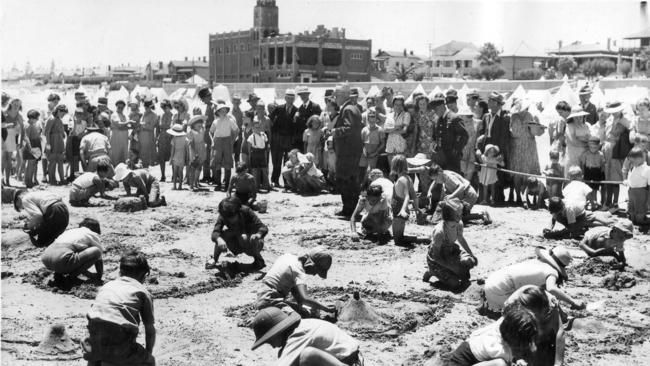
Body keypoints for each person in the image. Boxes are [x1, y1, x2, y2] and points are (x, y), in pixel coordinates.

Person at [82, 250, 156, 366]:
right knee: (149, 362)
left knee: (95, 358)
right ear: (144, 275)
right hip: (119, 344)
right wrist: (148, 354)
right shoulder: (142, 291)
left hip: (93, 342)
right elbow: (150, 330)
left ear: (120, 272)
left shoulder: (107, 286)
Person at [482, 246, 586, 313]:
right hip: (501, 293)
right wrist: (573, 302)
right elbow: (551, 289)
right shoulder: (551, 271)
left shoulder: (536, 262)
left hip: (491, 283)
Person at [251, 307, 361, 366]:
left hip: (350, 361)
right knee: (286, 355)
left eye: (269, 340)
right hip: (346, 358)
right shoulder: (301, 326)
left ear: (277, 332)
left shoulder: (298, 335)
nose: (271, 345)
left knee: (307, 356)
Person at [436, 305, 538, 366]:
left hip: (467, 350)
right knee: (500, 364)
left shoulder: (502, 327)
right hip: (461, 363)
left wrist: (519, 359)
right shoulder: (499, 350)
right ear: (515, 340)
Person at [256, 248, 335, 318]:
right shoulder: (299, 271)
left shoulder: (287, 257)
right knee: (296, 318)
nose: (314, 274)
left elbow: (299, 299)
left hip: (262, 296)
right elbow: (305, 299)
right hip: (270, 300)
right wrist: (325, 308)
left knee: (305, 312)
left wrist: (310, 309)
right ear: (311, 265)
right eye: (316, 271)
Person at [423, 199, 477, 291]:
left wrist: (471, 254)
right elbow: (436, 257)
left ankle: (455, 273)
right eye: (458, 213)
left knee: (469, 261)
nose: (461, 215)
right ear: (449, 215)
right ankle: (431, 271)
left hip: (450, 251)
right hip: (437, 259)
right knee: (454, 284)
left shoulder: (459, 224)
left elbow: (461, 239)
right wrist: (453, 268)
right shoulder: (440, 232)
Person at [206, 197, 268, 271]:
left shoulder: (246, 211)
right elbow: (216, 232)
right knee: (221, 236)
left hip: (252, 242)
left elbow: (263, 227)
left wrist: (258, 234)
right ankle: (215, 259)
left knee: (243, 237)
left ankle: (258, 259)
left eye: (232, 217)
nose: (229, 219)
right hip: (236, 241)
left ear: (238, 211)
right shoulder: (224, 214)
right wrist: (219, 239)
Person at [332, 84, 364, 218]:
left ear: (343, 95)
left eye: (336, 95)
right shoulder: (351, 108)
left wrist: (335, 132)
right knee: (349, 181)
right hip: (350, 152)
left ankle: (349, 210)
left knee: (347, 182)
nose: (335, 99)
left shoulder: (348, 109)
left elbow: (349, 128)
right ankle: (349, 209)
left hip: (347, 153)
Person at [41, 218, 103, 283]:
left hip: (46, 257)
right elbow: (99, 258)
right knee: (96, 251)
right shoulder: (92, 234)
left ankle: (58, 274)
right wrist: (99, 276)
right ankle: (71, 277)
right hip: (61, 259)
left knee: (74, 251)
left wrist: (88, 274)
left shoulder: (71, 231)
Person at [479, 92, 511, 204]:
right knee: (485, 173)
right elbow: (482, 134)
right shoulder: (486, 116)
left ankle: (498, 199)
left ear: (498, 104)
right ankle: (485, 198)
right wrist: (479, 149)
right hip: (486, 148)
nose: (488, 102)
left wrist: (500, 152)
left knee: (498, 175)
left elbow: (504, 137)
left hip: (497, 149)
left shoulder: (505, 117)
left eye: (491, 101)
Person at [509, 99, 542, 205]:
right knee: (517, 173)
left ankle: (527, 197)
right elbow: (509, 131)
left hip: (529, 146)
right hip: (517, 147)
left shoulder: (530, 116)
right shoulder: (513, 116)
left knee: (528, 172)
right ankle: (518, 195)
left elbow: (537, 131)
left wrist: (537, 128)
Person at [601, 101, 631, 210]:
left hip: (617, 150)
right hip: (607, 149)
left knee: (615, 178)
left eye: (616, 111)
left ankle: (615, 203)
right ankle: (607, 202)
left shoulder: (625, 121)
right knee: (608, 176)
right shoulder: (610, 119)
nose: (614, 113)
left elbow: (630, 132)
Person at [544, 197, 615, 239]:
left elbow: (572, 228)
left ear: (560, 209)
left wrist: (557, 233)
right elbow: (553, 218)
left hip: (581, 216)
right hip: (575, 215)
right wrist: (549, 228)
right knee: (559, 218)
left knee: (576, 231)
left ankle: (607, 224)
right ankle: (584, 226)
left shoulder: (569, 209)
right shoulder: (555, 204)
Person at [270, 89, 299, 187]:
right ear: (285, 98)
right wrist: (274, 134)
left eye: (292, 98)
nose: (290, 100)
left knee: (287, 161)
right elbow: (270, 119)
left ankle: (287, 182)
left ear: (294, 99)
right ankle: (275, 180)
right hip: (278, 138)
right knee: (277, 161)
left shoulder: (296, 110)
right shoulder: (279, 108)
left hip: (289, 139)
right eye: (288, 98)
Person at [210, 102, 239, 191]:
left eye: (225, 110)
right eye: (221, 111)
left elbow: (236, 130)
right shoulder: (215, 121)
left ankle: (227, 184)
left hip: (227, 141)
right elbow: (210, 131)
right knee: (217, 162)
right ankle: (218, 183)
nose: (223, 112)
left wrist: (233, 140)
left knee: (228, 163)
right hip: (217, 141)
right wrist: (212, 141)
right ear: (218, 112)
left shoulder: (230, 120)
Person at [390, 155, 418, 246]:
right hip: (401, 211)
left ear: (395, 166)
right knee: (399, 237)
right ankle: (422, 239)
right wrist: (417, 209)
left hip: (399, 212)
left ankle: (423, 240)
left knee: (397, 240)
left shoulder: (402, 180)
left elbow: (407, 196)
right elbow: (414, 196)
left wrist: (402, 210)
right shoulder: (408, 178)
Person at [624, 147, 650, 224]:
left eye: (634, 160)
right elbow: (632, 180)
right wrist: (627, 182)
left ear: (642, 158)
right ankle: (633, 219)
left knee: (640, 207)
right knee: (632, 206)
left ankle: (641, 221)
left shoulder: (646, 169)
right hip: (632, 191)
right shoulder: (634, 167)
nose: (633, 162)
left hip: (641, 192)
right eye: (631, 161)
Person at [564, 106, 591, 179]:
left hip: (585, 158)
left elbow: (591, 139)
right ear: (572, 118)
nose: (579, 119)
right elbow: (573, 141)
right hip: (573, 158)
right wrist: (586, 143)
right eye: (576, 117)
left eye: (580, 117)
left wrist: (580, 138)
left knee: (584, 179)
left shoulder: (587, 125)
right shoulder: (569, 126)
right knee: (571, 178)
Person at [358, 107, 385, 181]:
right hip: (365, 153)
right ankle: (362, 187)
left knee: (371, 172)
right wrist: (364, 151)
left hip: (374, 153)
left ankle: (369, 186)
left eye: (373, 116)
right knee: (362, 170)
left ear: (376, 118)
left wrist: (375, 152)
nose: (371, 119)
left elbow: (382, 143)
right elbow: (362, 143)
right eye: (370, 117)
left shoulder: (380, 130)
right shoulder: (364, 129)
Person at [580, 135, 606, 210]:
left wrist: (602, 173)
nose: (593, 149)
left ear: (598, 146)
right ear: (588, 146)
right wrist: (582, 173)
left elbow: (602, 165)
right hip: (588, 172)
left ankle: (594, 203)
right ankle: (587, 202)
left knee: (595, 188)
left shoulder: (600, 154)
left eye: (595, 147)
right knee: (587, 189)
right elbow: (583, 164)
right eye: (591, 147)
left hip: (596, 172)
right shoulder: (586, 154)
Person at [44, 104, 67, 185]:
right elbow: (46, 132)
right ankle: (51, 179)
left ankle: (62, 179)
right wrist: (48, 145)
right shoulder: (51, 119)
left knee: (60, 161)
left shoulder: (59, 119)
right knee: (52, 162)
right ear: (58, 111)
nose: (63, 116)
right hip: (52, 141)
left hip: (59, 141)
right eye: (63, 113)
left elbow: (62, 131)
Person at [247, 117, 272, 191]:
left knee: (264, 170)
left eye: (259, 127)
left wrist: (266, 152)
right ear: (253, 129)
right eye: (255, 128)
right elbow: (249, 147)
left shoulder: (264, 135)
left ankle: (266, 185)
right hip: (254, 153)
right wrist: (250, 156)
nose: (257, 129)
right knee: (255, 171)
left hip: (262, 153)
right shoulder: (251, 137)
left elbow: (266, 144)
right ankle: (256, 186)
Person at [295, 86, 322, 152]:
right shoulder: (299, 109)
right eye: (301, 95)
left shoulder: (315, 106)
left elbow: (319, 121)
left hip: (314, 137)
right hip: (303, 138)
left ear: (308, 95)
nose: (303, 96)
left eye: (304, 94)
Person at [384, 94, 410, 162]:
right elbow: (385, 129)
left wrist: (391, 130)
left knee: (400, 169)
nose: (398, 107)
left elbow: (404, 130)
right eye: (396, 104)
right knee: (391, 169)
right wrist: (397, 127)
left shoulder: (406, 115)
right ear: (393, 105)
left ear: (403, 105)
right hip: (390, 145)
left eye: (400, 105)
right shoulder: (389, 115)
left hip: (400, 145)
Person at [198, 89, 216, 184]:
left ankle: (212, 176)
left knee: (211, 155)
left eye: (203, 99)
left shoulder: (213, 106)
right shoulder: (209, 106)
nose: (203, 101)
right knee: (206, 154)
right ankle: (206, 175)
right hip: (207, 131)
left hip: (211, 131)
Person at [23, 109, 42, 188]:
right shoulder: (28, 126)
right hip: (31, 146)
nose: (37, 120)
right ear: (32, 118)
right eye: (36, 118)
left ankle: (28, 180)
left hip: (34, 145)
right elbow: (26, 138)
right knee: (31, 165)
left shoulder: (31, 125)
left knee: (32, 164)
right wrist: (31, 148)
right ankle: (29, 182)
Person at [187, 115, 207, 191]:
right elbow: (191, 144)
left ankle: (196, 182)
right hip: (194, 150)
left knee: (199, 167)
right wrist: (194, 153)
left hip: (201, 149)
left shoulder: (202, 130)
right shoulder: (191, 132)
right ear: (193, 125)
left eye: (201, 123)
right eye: (197, 123)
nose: (200, 124)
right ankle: (191, 184)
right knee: (193, 167)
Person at [109, 100, 130, 165]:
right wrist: (128, 123)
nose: (120, 109)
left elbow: (127, 126)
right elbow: (119, 125)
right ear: (116, 107)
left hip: (124, 139)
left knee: (123, 157)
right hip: (116, 138)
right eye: (119, 107)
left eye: (122, 108)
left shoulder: (124, 115)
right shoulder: (114, 115)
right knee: (116, 156)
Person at [138, 100, 158, 168]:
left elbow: (151, 126)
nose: (146, 108)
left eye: (147, 107)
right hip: (142, 135)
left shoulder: (154, 115)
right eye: (145, 107)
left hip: (148, 135)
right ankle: (144, 165)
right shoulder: (143, 113)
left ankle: (147, 166)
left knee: (148, 152)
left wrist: (142, 125)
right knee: (142, 152)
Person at [168, 124, 187, 190]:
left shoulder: (174, 139)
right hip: (182, 155)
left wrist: (171, 158)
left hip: (176, 155)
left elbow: (172, 150)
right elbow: (186, 148)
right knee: (181, 171)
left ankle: (174, 185)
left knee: (175, 171)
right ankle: (180, 186)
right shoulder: (185, 138)